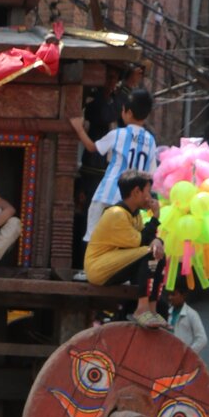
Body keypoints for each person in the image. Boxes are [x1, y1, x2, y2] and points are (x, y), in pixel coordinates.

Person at [69, 87, 158, 243]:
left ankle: (91, 264)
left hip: (109, 192)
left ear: (128, 112)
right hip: (133, 198)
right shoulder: (150, 140)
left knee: (94, 233)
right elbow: (151, 174)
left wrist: (78, 129)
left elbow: (92, 147)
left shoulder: (118, 134)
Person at [84, 168, 167, 329]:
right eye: (148, 192)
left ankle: (152, 309)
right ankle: (141, 309)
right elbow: (141, 242)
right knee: (150, 253)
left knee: (158, 255)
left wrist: (157, 240)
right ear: (137, 191)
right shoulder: (116, 214)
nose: (150, 197)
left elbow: (148, 239)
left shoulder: (135, 215)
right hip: (98, 268)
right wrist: (155, 218)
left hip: (115, 263)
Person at [163, 287, 208, 354]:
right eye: (169, 294)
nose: (170, 297)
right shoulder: (166, 312)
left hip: (184, 358)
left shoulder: (192, 314)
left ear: (183, 295)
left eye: (173, 294)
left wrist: (188, 354)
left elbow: (202, 339)